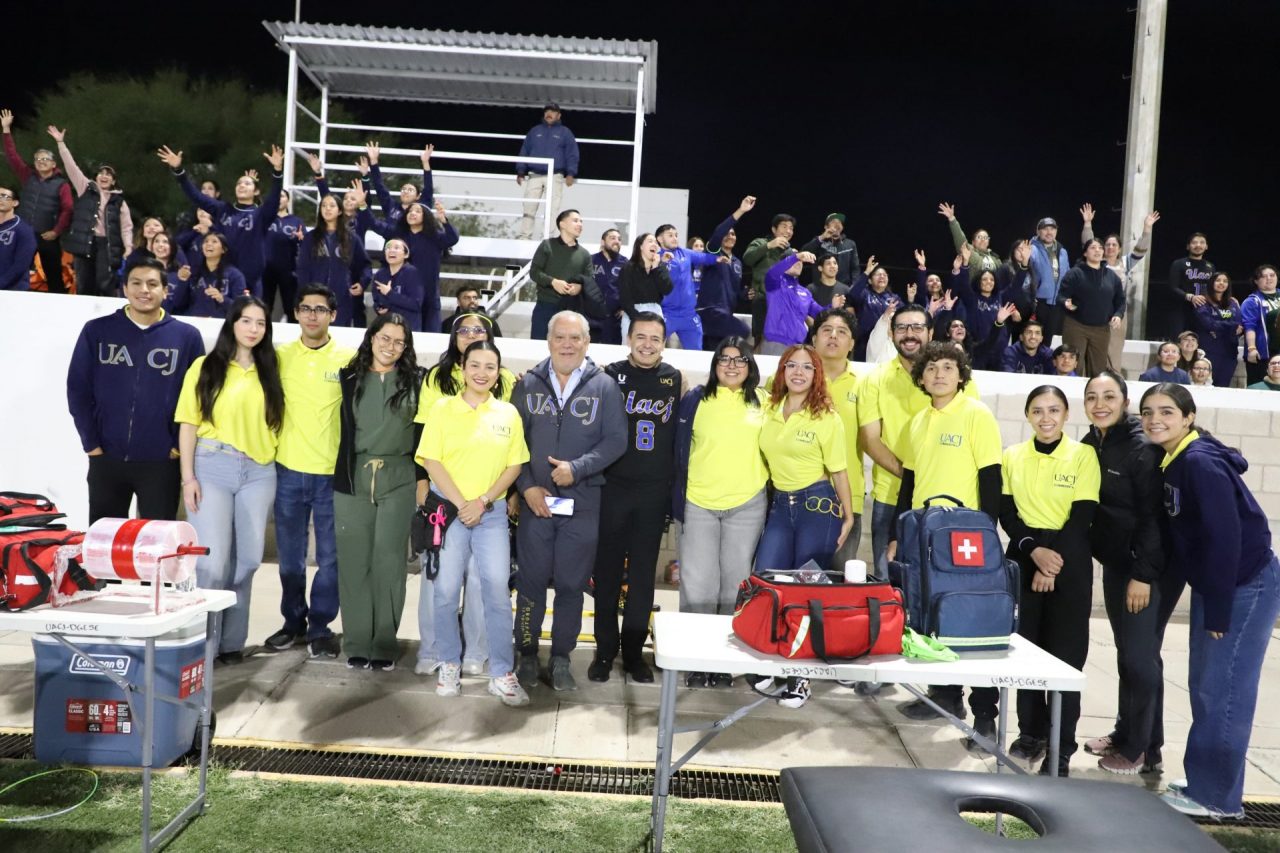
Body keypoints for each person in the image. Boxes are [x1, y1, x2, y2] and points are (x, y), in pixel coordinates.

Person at [1140, 384, 1280, 819]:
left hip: (1243, 586)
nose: (1155, 419)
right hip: (1218, 586)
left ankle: (1218, 799)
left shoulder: (1199, 463)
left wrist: (1219, 608)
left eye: (1166, 411)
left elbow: (1225, 537)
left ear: (1188, 417)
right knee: (1206, 686)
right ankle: (1206, 781)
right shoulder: (1176, 459)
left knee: (1225, 691)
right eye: (1147, 412)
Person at [887, 342, 1002, 740]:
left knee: (972, 620)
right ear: (921, 377)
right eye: (932, 367)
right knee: (929, 614)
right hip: (922, 532)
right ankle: (944, 695)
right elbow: (909, 483)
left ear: (961, 375)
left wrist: (988, 535)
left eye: (948, 367)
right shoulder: (917, 421)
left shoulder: (976, 414)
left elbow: (991, 478)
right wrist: (896, 535)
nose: (939, 374)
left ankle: (985, 716)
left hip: (964, 537)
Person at [513, 311, 627, 691]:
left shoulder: (605, 387)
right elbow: (512, 443)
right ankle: (527, 653)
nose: (567, 344)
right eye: (560, 337)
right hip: (536, 504)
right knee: (530, 584)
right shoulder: (527, 384)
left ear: (586, 342)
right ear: (548, 341)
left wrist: (577, 469)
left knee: (571, 585)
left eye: (575, 338)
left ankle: (561, 657)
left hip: (582, 504)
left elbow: (616, 440)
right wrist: (527, 487)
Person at [416, 340, 530, 706]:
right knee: (446, 590)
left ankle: (502, 673)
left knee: (496, 590)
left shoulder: (508, 414)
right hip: (449, 513)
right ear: (463, 369)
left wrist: (481, 502)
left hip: (490, 515)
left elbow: (515, 465)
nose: (482, 372)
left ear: (498, 374)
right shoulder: (442, 409)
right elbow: (431, 461)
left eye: (490, 367)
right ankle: (449, 663)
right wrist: (461, 504)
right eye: (475, 365)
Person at [1081, 370, 1182, 775]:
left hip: (1148, 568)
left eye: (1109, 396)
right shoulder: (1093, 442)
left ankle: (1142, 749)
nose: (1100, 404)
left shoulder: (1143, 448)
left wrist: (1143, 574)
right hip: (1118, 562)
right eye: (1092, 397)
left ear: (1125, 402)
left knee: (1141, 657)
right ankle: (1127, 733)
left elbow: (1153, 520)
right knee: (1128, 653)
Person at [175, 297, 284, 664]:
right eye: (246, 321)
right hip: (212, 465)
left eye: (261, 323)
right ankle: (202, 647)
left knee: (248, 560)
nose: (253, 329)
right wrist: (188, 477)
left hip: (259, 471)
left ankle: (231, 643)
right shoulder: (205, 367)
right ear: (232, 323)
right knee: (213, 563)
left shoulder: (271, 369)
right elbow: (188, 424)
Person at [1000, 385, 1100, 776]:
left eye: (1054, 410)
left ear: (1065, 415)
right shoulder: (1013, 456)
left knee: (1065, 657)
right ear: (1028, 415)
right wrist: (1033, 553)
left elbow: (1082, 516)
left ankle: (1061, 747)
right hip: (1024, 558)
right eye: (1038, 410)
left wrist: (1050, 564)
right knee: (1024, 650)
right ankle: (1031, 732)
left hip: (1068, 560)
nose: (1046, 418)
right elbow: (1008, 513)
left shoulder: (1082, 455)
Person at [66, 257, 204, 523]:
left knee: (158, 540)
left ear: (165, 290)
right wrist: (92, 445)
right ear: (125, 288)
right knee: (105, 539)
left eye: (152, 284)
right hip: (106, 458)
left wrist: (176, 448)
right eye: (136, 283)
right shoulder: (97, 330)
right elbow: (78, 389)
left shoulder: (187, 337)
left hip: (161, 462)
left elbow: (198, 397)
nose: (144, 290)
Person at [754, 344, 854, 709]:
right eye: (791, 366)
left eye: (807, 367)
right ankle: (774, 662)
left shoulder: (826, 416)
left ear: (817, 375)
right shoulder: (769, 408)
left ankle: (801, 678)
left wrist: (848, 515)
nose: (799, 372)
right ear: (781, 371)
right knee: (767, 580)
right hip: (781, 506)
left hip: (817, 506)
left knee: (807, 590)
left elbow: (839, 471)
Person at [858, 304, 981, 584]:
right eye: (902, 327)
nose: (909, 334)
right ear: (891, 333)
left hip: (948, 500)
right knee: (888, 583)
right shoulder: (875, 380)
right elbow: (870, 439)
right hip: (890, 497)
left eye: (917, 327)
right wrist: (911, 476)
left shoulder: (956, 379)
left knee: (943, 583)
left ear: (931, 332)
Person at [590, 312, 682, 684]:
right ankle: (604, 651)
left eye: (655, 338)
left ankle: (633, 654)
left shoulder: (674, 379)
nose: (647, 344)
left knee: (643, 576)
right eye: (641, 336)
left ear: (664, 343)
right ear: (629, 338)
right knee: (607, 574)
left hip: (653, 491)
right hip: (613, 487)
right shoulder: (609, 375)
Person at [672, 338, 768, 688]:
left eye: (739, 359)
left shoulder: (766, 401)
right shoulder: (695, 400)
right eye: (724, 359)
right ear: (714, 365)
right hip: (698, 503)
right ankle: (696, 660)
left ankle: (725, 661)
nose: (731, 366)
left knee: (735, 585)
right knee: (697, 585)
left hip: (746, 506)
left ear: (750, 365)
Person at [265, 285, 354, 659]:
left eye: (320, 309)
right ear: (297, 313)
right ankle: (292, 622)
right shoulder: (280, 356)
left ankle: (320, 627)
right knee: (290, 559)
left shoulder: (348, 359)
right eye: (305, 308)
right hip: (288, 470)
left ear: (333, 315)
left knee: (331, 560)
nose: (312, 315)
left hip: (331, 474)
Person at [333, 314, 425, 671]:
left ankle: (384, 643)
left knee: (390, 561)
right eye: (385, 338)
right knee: (354, 562)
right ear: (372, 338)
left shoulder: (417, 380)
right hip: (353, 475)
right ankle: (357, 642)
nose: (391, 346)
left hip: (399, 475)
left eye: (399, 342)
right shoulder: (349, 378)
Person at [156, 143, 285, 295]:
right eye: (239, 183)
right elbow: (196, 196)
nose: (241, 186)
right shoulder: (222, 209)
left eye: (247, 183)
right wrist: (179, 170)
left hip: (251, 278)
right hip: (222, 277)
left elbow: (274, 198)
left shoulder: (261, 214)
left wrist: (277, 171)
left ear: (256, 191)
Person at [351, 183, 457, 333]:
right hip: (405, 300)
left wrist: (444, 221)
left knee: (432, 336)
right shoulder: (398, 233)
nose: (412, 213)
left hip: (430, 298)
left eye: (417, 211)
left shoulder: (434, 236)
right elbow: (374, 224)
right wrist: (362, 204)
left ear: (426, 216)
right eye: (410, 211)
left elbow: (452, 238)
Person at [47, 125, 132, 298]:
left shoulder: (119, 201)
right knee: (84, 284)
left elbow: (126, 227)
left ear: (113, 181)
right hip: (85, 241)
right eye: (101, 173)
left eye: (108, 174)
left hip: (106, 245)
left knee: (104, 283)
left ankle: (107, 313)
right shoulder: (85, 188)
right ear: (96, 177)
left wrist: (128, 247)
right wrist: (61, 143)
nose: (104, 176)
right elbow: (71, 167)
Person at [811, 309, 864, 564]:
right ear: (814, 339)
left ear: (852, 344)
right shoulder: (793, 378)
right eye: (826, 330)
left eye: (842, 332)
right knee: (794, 579)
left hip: (847, 498)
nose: (833, 336)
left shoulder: (865, 386)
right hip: (796, 497)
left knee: (840, 579)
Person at [1, 109, 73, 293]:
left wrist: (56, 231)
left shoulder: (61, 184)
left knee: (53, 275)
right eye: (37, 159)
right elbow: (12, 156)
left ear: (53, 164)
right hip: (24, 233)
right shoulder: (28, 176)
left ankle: (57, 304)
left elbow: (68, 209)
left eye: (45, 159)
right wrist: (6, 130)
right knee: (17, 270)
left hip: (46, 236)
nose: (41, 161)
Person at [1080, 204, 1158, 370]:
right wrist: (1087, 224)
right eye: (1107, 245)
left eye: (1114, 245)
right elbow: (1088, 243)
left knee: (1115, 347)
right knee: (1094, 345)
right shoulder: (1096, 262)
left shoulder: (1125, 262)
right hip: (1096, 309)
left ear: (1119, 248)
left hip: (1117, 310)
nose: (1110, 247)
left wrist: (1146, 229)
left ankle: (1113, 375)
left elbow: (1141, 250)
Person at [295, 186, 372, 328]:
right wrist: (305, 293)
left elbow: (365, 265)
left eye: (332, 205)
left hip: (342, 298)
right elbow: (303, 268)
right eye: (324, 205)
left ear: (340, 211)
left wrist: (362, 283)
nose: (327, 209)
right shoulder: (310, 237)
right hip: (314, 298)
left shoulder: (351, 238)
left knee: (339, 334)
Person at [655, 217, 731, 350]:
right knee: (653, 349)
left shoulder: (685, 253)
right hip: (666, 313)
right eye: (670, 235)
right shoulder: (655, 257)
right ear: (660, 239)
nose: (675, 238)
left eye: (676, 235)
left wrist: (717, 259)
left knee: (696, 354)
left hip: (689, 314)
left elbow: (703, 257)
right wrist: (661, 262)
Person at [528, 209, 601, 340]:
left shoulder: (585, 254)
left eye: (581, 222)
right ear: (562, 224)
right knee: (539, 346)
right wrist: (553, 282)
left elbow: (589, 280)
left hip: (572, 311)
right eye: (575, 221)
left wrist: (579, 287)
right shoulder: (547, 245)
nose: (580, 224)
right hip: (545, 306)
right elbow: (534, 272)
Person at [1060, 238, 1125, 376]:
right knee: (1074, 366)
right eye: (1093, 247)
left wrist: (1118, 315)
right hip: (1076, 326)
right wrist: (1066, 302)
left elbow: (1120, 300)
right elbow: (1061, 295)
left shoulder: (1112, 277)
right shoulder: (1075, 273)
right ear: (1085, 253)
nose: (1097, 250)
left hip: (1101, 329)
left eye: (1100, 248)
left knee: (1098, 369)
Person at [516, 103, 579, 240]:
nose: (549, 114)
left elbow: (572, 154)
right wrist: (520, 171)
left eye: (553, 111)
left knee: (552, 208)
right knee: (529, 205)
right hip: (534, 174)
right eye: (547, 111)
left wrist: (571, 173)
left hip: (555, 175)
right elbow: (524, 151)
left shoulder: (565, 133)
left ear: (559, 115)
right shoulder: (534, 131)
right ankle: (525, 236)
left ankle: (546, 238)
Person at [743, 214, 797, 343]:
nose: (788, 231)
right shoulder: (761, 243)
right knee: (760, 340)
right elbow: (747, 259)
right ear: (774, 229)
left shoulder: (790, 252)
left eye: (791, 228)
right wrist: (768, 245)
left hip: (783, 302)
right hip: (763, 300)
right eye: (784, 226)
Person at [759, 251, 823, 354]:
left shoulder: (805, 292)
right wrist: (797, 256)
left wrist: (833, 306)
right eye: (795, 259)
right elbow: (772, 273)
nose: (799, 262)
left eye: (801, 261)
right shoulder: (775, 284)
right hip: (775, 342)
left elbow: (820, 314)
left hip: (798, 346)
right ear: (784, 263)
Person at [617, 232, 672, 342]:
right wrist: (637, 318)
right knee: (631, 346)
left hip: (655, 312)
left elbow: (667, 289)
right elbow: (625, 297)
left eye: (656, 242)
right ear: (640, 246)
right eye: (650, 241)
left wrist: (656, 269)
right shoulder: (629, 268)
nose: (654, 244)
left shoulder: (660, 267)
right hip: (633, 313)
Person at [847, 255, 903, 361]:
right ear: (870, 281)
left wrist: (910, 300)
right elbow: (852, 294)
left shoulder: (894, 298)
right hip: (864, 342)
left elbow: (903, 316)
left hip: (887, 343)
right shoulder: (864, 294)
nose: (882, 276)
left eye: (884, 275)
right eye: (878, 274)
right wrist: (867, 272)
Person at [367, 141, 434, 227]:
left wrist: (425, 162)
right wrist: (373, 161)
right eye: (403, 189)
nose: (405, 191)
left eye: (410, 190)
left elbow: (428, 188)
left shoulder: (422, 208)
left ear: (417, 196)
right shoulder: (391, 206)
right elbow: (379, 186)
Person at [183, 233, 250, 318]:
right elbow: (181, 303)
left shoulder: (235, 275)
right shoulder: (193, 272)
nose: (209, 244)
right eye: (206, 241)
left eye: (214, 241)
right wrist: (182, 280)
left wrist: (222, 299)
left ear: (224, 250)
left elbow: (241, 308)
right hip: (194, 321)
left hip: (221, 322)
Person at [1162, 233, 1215, 341]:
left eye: (1202, 242)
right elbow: (1172, 287)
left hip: (1202, 311)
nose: (1198, 245)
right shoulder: (1178, 264)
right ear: (1188, 246)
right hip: (1180, 310)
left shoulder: (1210, 266)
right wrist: (1190, 297)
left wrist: (1225, 298)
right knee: (1178, 341)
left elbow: (1213, 289)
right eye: (1194, 242)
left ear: (1206, 246)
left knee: (1200, 341)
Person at [1194, 272, 1242, 387]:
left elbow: (1239, 324)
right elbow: (1209, 324)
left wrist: (1220, 326)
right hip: (1210, 350)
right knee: (1205, 385)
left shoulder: (1233, 303)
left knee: (1223, 386)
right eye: (1218, 280)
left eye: (1225, 281)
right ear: (1211, 283)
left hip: (1230, 351)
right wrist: (1231, 326)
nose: (1221, 283)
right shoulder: (1203, 301)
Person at [263, 191, 305, 320]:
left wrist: (302, 239)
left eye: (281, 196)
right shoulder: (264, 218)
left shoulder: (296, 221)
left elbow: (305, 244)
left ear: (288, 200)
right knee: (264, 306)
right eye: (276, 196)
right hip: (265, 269)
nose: (278, 199)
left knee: (291, 307)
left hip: (288, 270)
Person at [1027, 217, 1071, 339]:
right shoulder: (1031, 249)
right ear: (1038, 231)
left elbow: (1067, 276)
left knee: (1047, 340)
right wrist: (1031, 297)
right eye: (1045, 229)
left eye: (1052, 229)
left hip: (1056, 303)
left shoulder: (1062, 252)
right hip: (1037, 303)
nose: (1049, 232)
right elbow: (1025, 275)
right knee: (1032, 339)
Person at [370, 238, 426, 331]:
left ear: (406, 254)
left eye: (396, 248)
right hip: (386, 326)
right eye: (388, 248)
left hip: (408, 327)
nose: (391, 250)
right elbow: (376, 299)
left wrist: (389, 293)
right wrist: (378, 308)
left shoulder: (412, 273)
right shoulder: (380, 274)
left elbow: (416, 304)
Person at [938, 202, 1001, 281]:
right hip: (972, 288)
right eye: (979, 237)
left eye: (985, 237)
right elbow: (961, 240)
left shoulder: (996, 259)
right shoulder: (968, 251)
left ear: (988, 242)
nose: (983, 239)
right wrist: (952, 219)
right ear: (973, 242)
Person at [1241, 264, 1280, 386]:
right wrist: (1252, 348)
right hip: (1262, 354)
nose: (1269, 278)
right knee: (1258, 387)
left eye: (1272, 275)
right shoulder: (1251, 301)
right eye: (1263, 276)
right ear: (1256, 281)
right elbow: (1249, 327)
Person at [799, 213, 860, 286]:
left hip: (844, 288)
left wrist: (854, 286)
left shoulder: (850, 244)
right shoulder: (818, 242)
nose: (837, 224)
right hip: (821, 288)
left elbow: (855, 268)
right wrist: (822, 237)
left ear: (842, 227)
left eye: (839, 222)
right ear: (826, 227)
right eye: (833, 222)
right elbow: (803, 253)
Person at [590, 228, 627, 344]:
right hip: (592, 318)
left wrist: (625, 307)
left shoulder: (625, 263)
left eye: (619, 239)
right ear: (603, 242)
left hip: (614, 319)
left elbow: (631, 288)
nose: (617, 241)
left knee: (612, 351)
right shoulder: (591, 260)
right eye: (612, 238)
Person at [0, 183, 37, 291]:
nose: (0, 199)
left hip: (13, 291)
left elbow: (21, 265)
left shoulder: (24, 230)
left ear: (15, 203)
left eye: (5, 196)